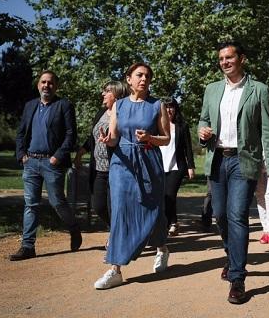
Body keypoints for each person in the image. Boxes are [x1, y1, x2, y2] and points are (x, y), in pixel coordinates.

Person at [198, 41, 269, 304]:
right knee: (220, 215)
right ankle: (231, 255)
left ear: (241, 59)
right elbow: (204, 120)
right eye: (221, 58)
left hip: (243, 162)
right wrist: (202, 132)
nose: (224, 62)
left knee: (236, 216)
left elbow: (267, 131)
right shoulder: (212, 90)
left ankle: (237, 277)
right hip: (217, 160)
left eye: (229, 57)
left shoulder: (258, 89)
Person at [94, 62, 171, 290]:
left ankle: (162, 247)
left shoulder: (157, 106)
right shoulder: (119, 105)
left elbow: (166, 138)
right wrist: (109, 141)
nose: (144, 79)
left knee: (153, 210)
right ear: (129, 79)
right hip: (122, 163)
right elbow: (115, 136)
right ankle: (115, 269)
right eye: (139, 75)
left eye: (147, 76)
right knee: (120, 212)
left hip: (148, 161)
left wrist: (150, 137)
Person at [10, 70, 82, 261]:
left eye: (50, 83)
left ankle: (74, 228)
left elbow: (70, 134)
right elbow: (21, 133)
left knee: (57, 202)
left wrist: (58, 156)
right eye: (43, 82)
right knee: (30, 204)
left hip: (52, 163)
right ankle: (27, 246)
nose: (46, 86)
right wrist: (21, 155)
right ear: (38, 85)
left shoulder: (63, 105)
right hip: (31, 162)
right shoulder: (30, 106)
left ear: (56, 86)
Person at [74, 81, 129, 229]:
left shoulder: (123, 115)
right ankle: (117, 230)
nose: (103, 94)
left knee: (115, 207)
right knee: (98, 206)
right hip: (99, 169)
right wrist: (80, 153)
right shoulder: (101, 112)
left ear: (117, 95)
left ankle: (117, 237)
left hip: (116, 168)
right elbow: (93, 137)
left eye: (107, 91)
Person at [159, 97, 196, 236]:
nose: (169, 110)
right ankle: (172, 221)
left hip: (177, 166)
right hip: (160, 166)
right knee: (163, 197)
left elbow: (188, 147)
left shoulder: (182, 126)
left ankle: (171, 223)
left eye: (172, 107)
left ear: (175, 109)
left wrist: (190, 166)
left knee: (170, 194)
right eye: (166, 107)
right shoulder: (157, 125)